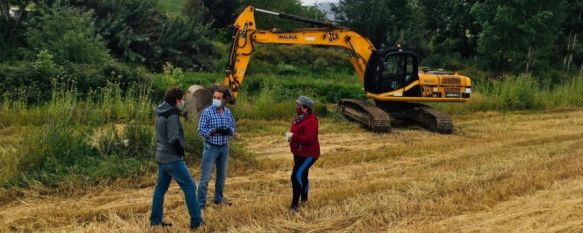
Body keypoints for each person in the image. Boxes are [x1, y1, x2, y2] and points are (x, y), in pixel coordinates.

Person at [150, 87, 203, 229]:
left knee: (160, 189)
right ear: (176, 100)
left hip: (161, 156)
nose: (183, 102)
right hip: (172, 159)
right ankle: (196, 222)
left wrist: (180, 113)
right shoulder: (172, 116)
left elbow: (171, 112)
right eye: (181, 100)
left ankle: (155, 222)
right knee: (190, 187)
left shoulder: (162, 110)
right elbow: (174, 138)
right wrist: (181, 153)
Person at [197, 86, 236, 209]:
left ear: (224, 100)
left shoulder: (228, 112)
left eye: (218, 98)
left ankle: (218, 199)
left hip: (224, 147)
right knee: (205, 177)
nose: (216, 100)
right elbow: (201, 131)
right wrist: (214, 131)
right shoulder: (207, 112)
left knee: (221, 176)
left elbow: (232, 126)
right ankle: (200, 204)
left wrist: (229, 131)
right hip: (211, 148)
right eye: (214, 97)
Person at [286, 96, 320, 212]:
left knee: (296, 176)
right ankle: (304, 200)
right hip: (299, 152)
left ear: (305, 108)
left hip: (309, 154)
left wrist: (294, 137)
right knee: (303, 175)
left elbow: (309, 139)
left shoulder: (311, 120)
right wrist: (292, 138)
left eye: (299, 105)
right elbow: (298, 133)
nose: (297, 107)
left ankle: (294, 206)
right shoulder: (299, 118)